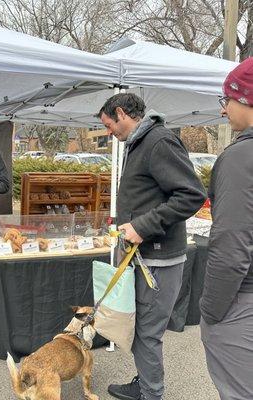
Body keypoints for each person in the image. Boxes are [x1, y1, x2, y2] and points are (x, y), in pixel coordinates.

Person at [98, 93, 206, 400]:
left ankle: (151, 394)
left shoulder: (159, 142)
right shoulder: (139, 142)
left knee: (147, 334)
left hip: (159, 261)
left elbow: (191, 195)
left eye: (109, 125)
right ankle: (145, 384)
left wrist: (141, 226)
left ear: (121, 113)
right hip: (144, 257)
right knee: (140, 331)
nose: (109, 133)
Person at [200, 57, 253, 400]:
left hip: (243, 299)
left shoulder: (239, 158)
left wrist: (210, 311)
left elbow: (232, 248)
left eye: (227, 100)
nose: (223, 110)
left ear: (246, 99)